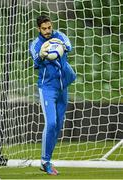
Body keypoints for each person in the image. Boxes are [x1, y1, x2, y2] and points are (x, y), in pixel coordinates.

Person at [29, 14, 76, 175]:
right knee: (51, 123)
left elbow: (68, 46)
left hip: (63, 88)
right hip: (47, 89)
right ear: (38, 29)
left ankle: (47, 159)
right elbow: (35, 61)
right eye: (44, 29)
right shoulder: (35, 44)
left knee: (58, 126)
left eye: (49, 27)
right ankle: (45, 161)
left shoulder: (60, 36)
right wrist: (42, 55)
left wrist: (58, 45)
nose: (48, 31)